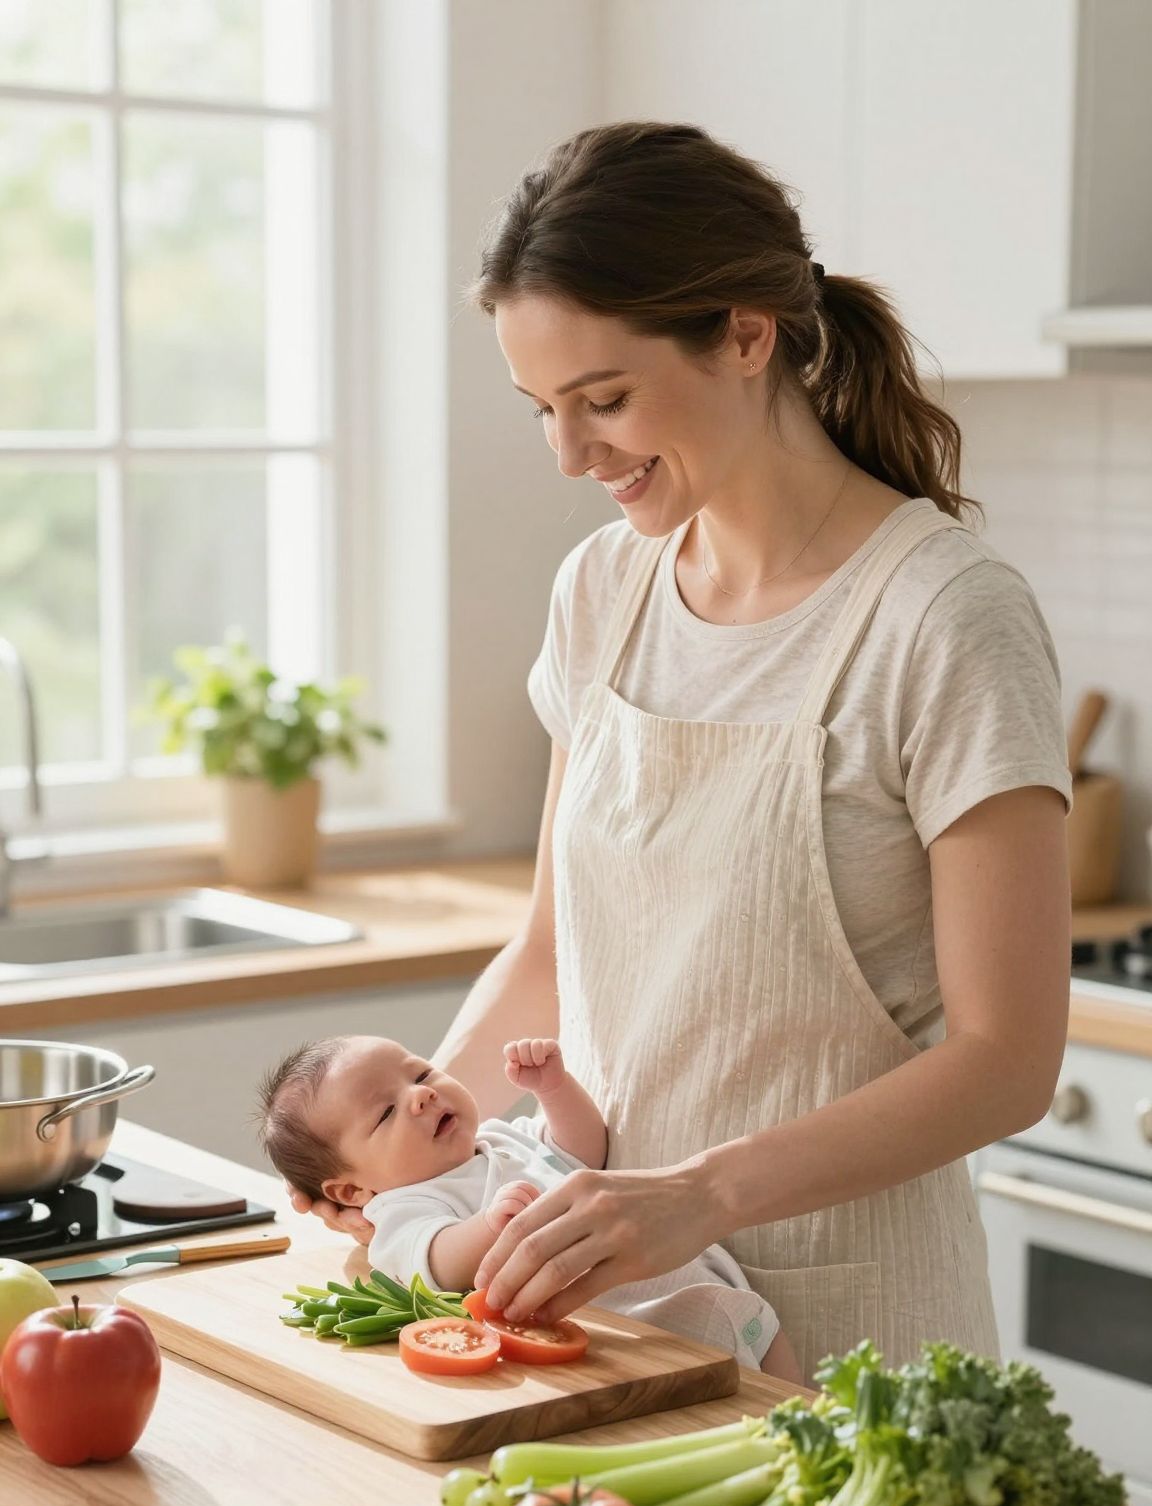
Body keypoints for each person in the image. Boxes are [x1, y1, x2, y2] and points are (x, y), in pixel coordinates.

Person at [288, 120, 1072, 1384]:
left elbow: (1007, 1061)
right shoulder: (605, 590)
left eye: (603, 398)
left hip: (854, 1329)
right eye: (544, 406)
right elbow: (551, 954)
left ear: (745, 332)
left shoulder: (942, 617)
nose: (570, 452)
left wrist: (699, 1194)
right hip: (609, 1328)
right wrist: (408, 1198)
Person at [259, 1031, 799, 1376]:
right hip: (643, 1326)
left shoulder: (502, 1137)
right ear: (352, 1193)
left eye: (420, 1073)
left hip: (712, 1283)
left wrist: (554, 1089)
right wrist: (489, 1227)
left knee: (789, 1391)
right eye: (385, 1114)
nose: (420, 1095)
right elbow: (436, 1265)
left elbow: (583, 1151)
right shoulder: (400, 1209)